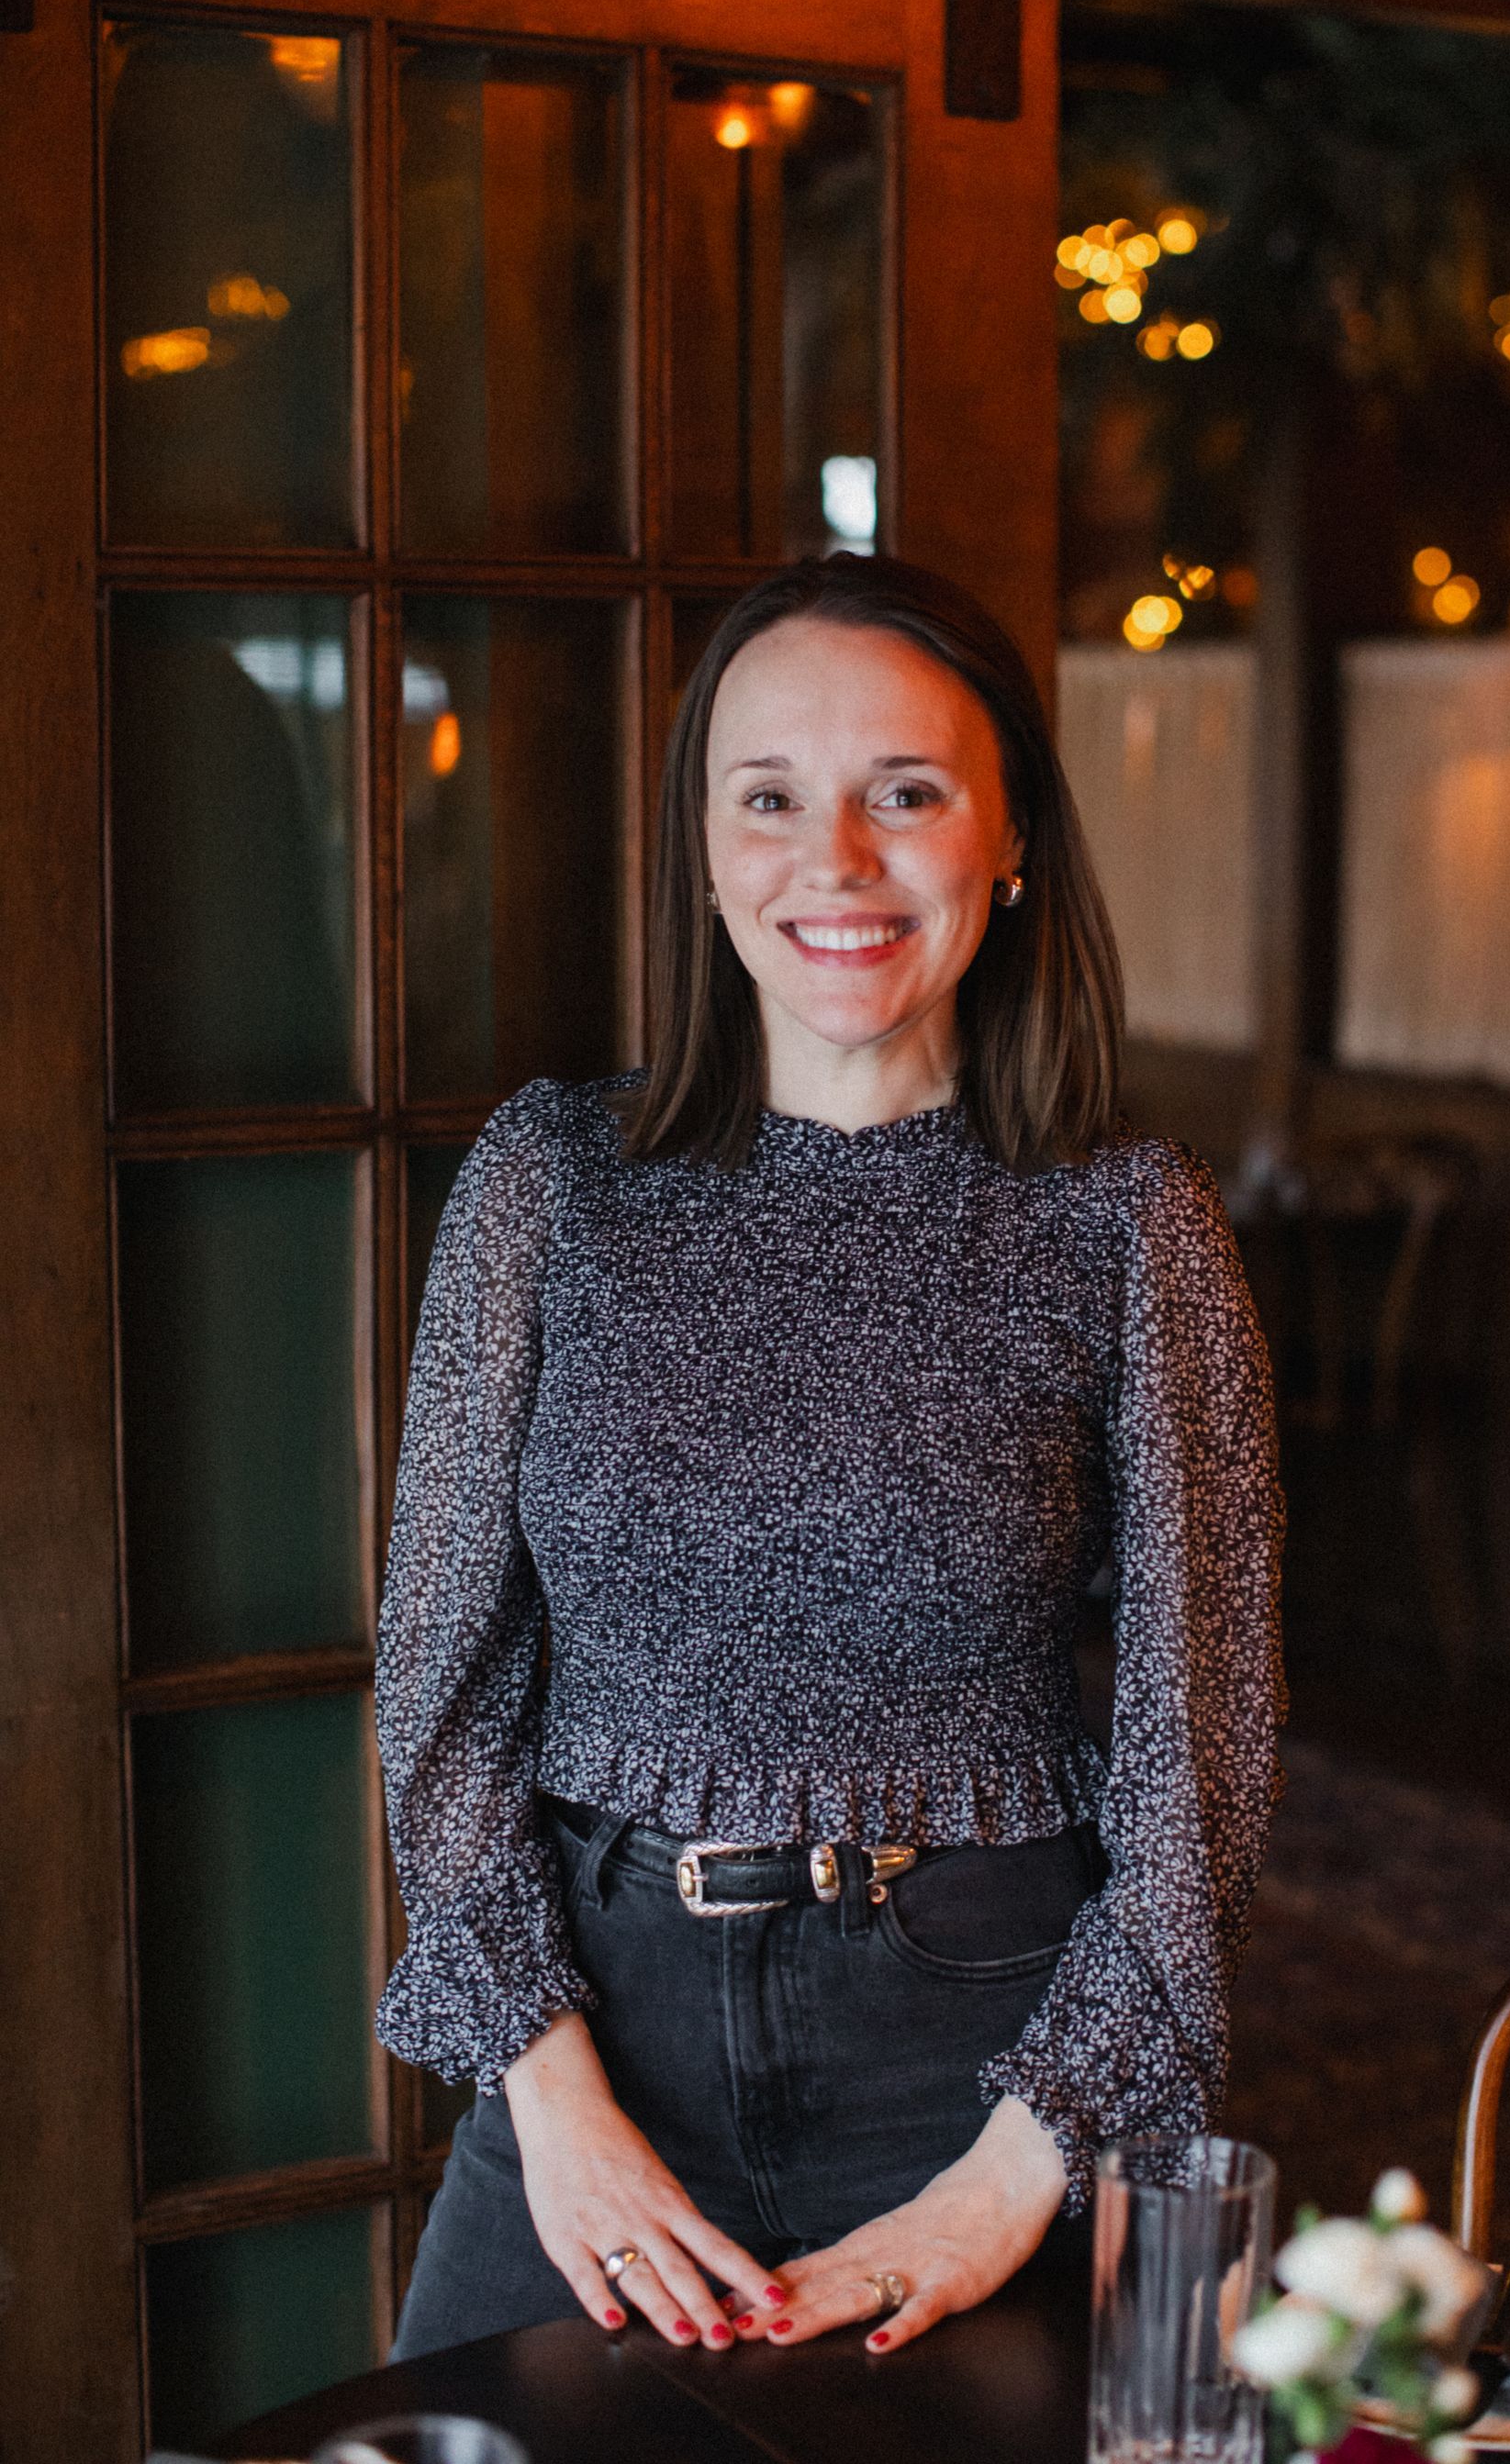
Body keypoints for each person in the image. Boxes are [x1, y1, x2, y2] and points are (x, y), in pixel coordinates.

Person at [375, 553, 1284, 2364]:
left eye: (910, 795)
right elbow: (441, 1686)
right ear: (704, 848)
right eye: (771, 798)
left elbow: (1203, 1758)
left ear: (1010, 840)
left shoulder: (1126, 1226)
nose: (837, 861)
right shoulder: (552, 1183)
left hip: (983, 2054)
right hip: (600, 2032)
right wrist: (555, 2102)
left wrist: (1017, 2172)